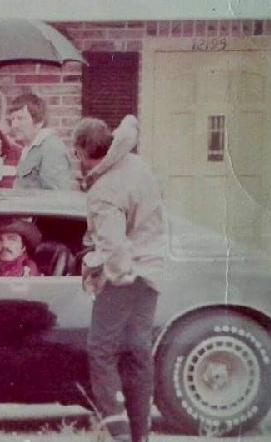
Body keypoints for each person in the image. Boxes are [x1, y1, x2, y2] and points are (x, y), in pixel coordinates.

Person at [75, 115, 167, 442]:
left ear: (83, 152)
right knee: (138, 351)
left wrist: (109, 276)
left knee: (101, 351)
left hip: (126, 274)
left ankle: (115, 431)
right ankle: (140, 435)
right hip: (153, 270)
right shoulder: (137, 164)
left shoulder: (103, 191)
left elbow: (114, 246)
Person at [8, 93, 75, 190]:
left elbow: (56, 197)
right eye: (12, 119)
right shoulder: (29, 147)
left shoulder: (51, 149)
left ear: (39, 122)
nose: (14, 125)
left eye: (20, 118)